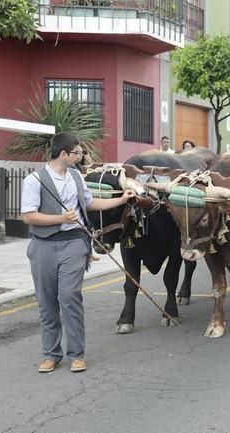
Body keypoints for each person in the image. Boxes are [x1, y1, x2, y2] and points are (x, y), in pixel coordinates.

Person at [21, 132, 135, 374]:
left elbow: (90, 203)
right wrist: (59, 218)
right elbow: (28, 215)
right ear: (64, 154)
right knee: (47, 302)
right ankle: (50, 354)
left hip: (74, 242)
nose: (81, 157)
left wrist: (121, 200)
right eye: (77, 153)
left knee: (70, 296)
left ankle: (77, 354)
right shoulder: (34, 180)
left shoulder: (76, 176)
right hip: (43, 245)